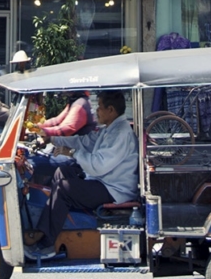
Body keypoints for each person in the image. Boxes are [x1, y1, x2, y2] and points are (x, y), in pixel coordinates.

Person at [26, 90, 139, 260]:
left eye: (99, 107)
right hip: (103, 180)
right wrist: (53, 139)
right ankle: (61, 224)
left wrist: (72, 153)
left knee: (64, 189)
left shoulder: (120, 133)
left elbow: (98, 165)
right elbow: (83, 141)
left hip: (114, 190)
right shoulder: (109, 129)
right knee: (62, 171)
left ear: (111, 110)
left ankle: (47, 241)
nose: (96, 111)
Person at [30, 91, 96, 184]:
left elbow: (65, 129)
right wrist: (35, 126)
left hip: (73, 156)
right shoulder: (76, 101)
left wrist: (39, 131)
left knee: (29, 163)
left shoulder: (80, 104)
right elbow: (56, 121)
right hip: (67, 151)